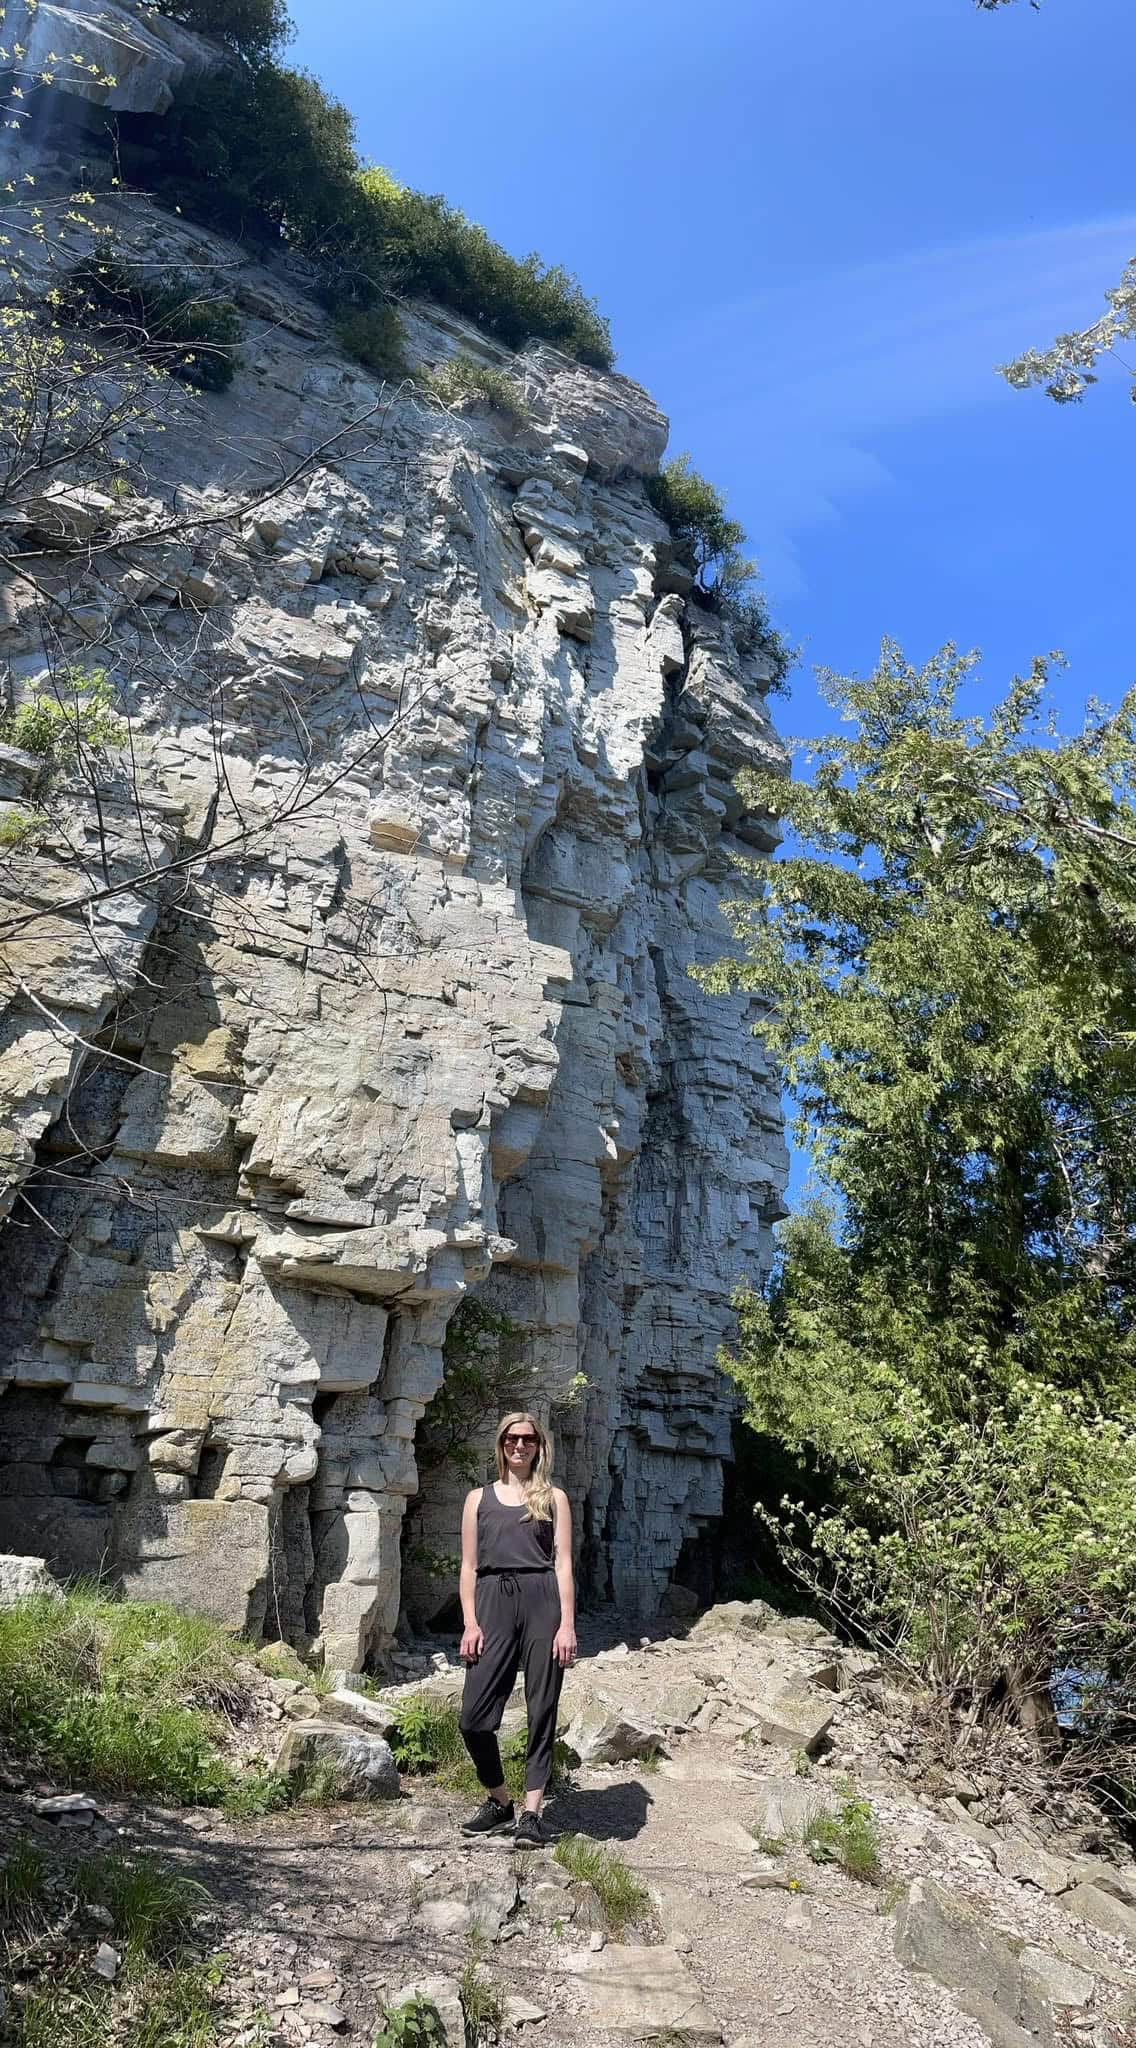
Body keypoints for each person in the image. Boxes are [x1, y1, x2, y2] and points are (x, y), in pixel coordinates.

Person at [457, 1410, 576, 1845]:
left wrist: (567, 1625)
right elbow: (468, 1566)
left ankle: (531, 1814)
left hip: (542, 1598)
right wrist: (470, 1622)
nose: (519, 1446)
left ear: (539, 1446)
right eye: (511, 1439)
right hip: (492, 1599)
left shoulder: (553, 1498)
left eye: (527, 1439)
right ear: (501, 1444)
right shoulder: (477, 1499)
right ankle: (500, 1801)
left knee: (541, 1706)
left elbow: (563, 1564)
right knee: (473, 1718)